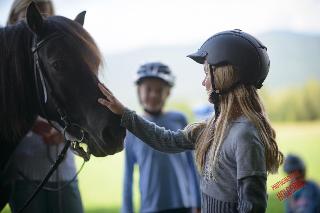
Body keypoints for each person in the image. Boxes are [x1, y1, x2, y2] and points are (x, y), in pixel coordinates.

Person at [98, 29, 284, 212]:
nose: (204, 82)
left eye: (206, 73)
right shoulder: (213, 126)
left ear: (224, 76)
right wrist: (124, 113)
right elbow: (167, 141)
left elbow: (252, 206)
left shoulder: (245, 135)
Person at [6, 1, 84, 212]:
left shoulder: (60, 61)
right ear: (13, 19)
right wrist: (30, 125)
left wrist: (66, 133)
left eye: (44, 16)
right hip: (24, 171)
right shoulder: (7, 70)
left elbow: (76, 109)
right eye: (28, 16)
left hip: (62, 170)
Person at [122, 62, 201, 213]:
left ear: (168, 93)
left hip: (183, 204)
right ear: (139, 91)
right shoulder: (132, 129)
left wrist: (198, 201)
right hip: (151, 206)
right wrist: (127, 209)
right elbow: (128, 174)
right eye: (148, 89)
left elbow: (193, 165)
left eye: (159, 90)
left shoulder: (179, 119)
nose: (153, 94)